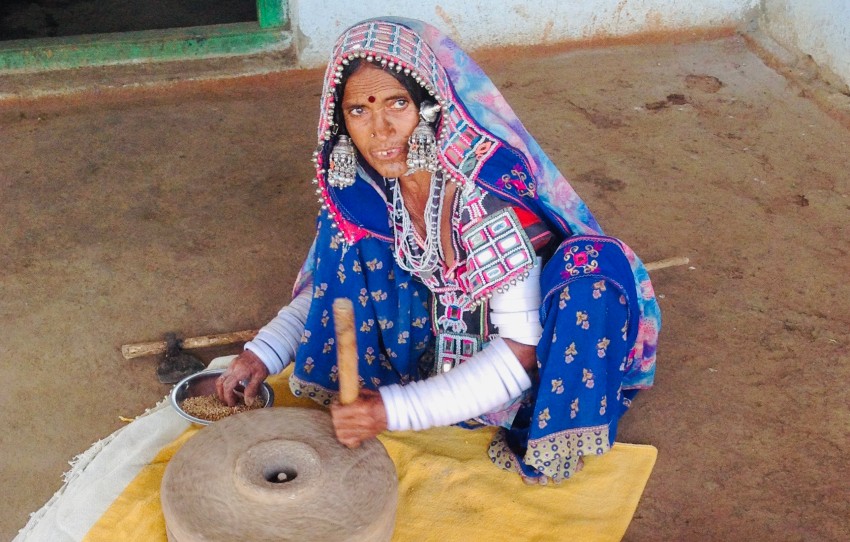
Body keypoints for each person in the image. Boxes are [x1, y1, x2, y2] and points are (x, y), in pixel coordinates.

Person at [216, 17, 660, 484]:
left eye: (397, 105)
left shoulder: (483, 195)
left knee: (588, 274)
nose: (381, 131)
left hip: (534, 362)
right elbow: (334, 289)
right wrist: (261, 354)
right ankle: (423, 392)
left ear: (430, 108)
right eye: (359, 111)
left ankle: (546, 427)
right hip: (445, 347)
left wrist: (394, 411)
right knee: (351, 236)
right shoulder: (371, 188)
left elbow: (521, 351)